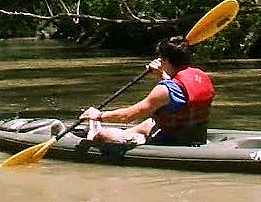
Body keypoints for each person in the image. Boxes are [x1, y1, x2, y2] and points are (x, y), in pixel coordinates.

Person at [81, 36, 215, 145]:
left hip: (172, 141)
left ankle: (97, 132)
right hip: (195, 136)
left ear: (165, 59)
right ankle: (124, 134)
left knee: (104, 136)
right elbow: (179, 95)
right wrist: (162, 76)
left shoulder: (164, 90)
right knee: (147, 123)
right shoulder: (200, 76)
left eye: (160, 57)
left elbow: (128, 116)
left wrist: (99, 115)